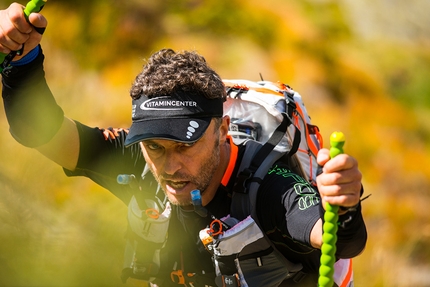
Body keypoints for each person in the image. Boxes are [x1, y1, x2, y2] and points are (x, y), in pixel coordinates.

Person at [1, 3, 367, 287]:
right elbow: (40, 131)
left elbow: (338, 240)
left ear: (222, 130)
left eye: (184, 146)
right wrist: (22, 59)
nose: (169, 167)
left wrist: (345, 205)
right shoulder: (139, 160)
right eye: (155, 147)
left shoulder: (268, 182)